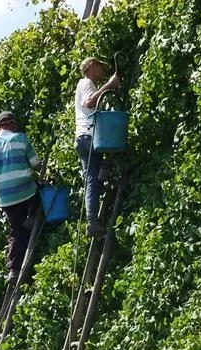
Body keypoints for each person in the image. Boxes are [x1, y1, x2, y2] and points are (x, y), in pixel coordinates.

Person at [0, 111, 42, 282]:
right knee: (39, 190)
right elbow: (36, 164)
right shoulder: (21, 139)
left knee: (16, 231)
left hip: (5, 197)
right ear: (13, 124)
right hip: (26, 191)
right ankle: (32, 216)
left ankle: (14, 269)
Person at [75, 56, 121, 237]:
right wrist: (109, 85)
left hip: (82, 138)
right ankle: (105, 171)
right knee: (112, 149)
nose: (103, 71)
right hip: (89, 136)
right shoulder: (87, 83)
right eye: (101, 66)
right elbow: (89, 102)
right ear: (92, 66)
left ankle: (92, 221)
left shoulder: (84, 85)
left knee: (91, 180)